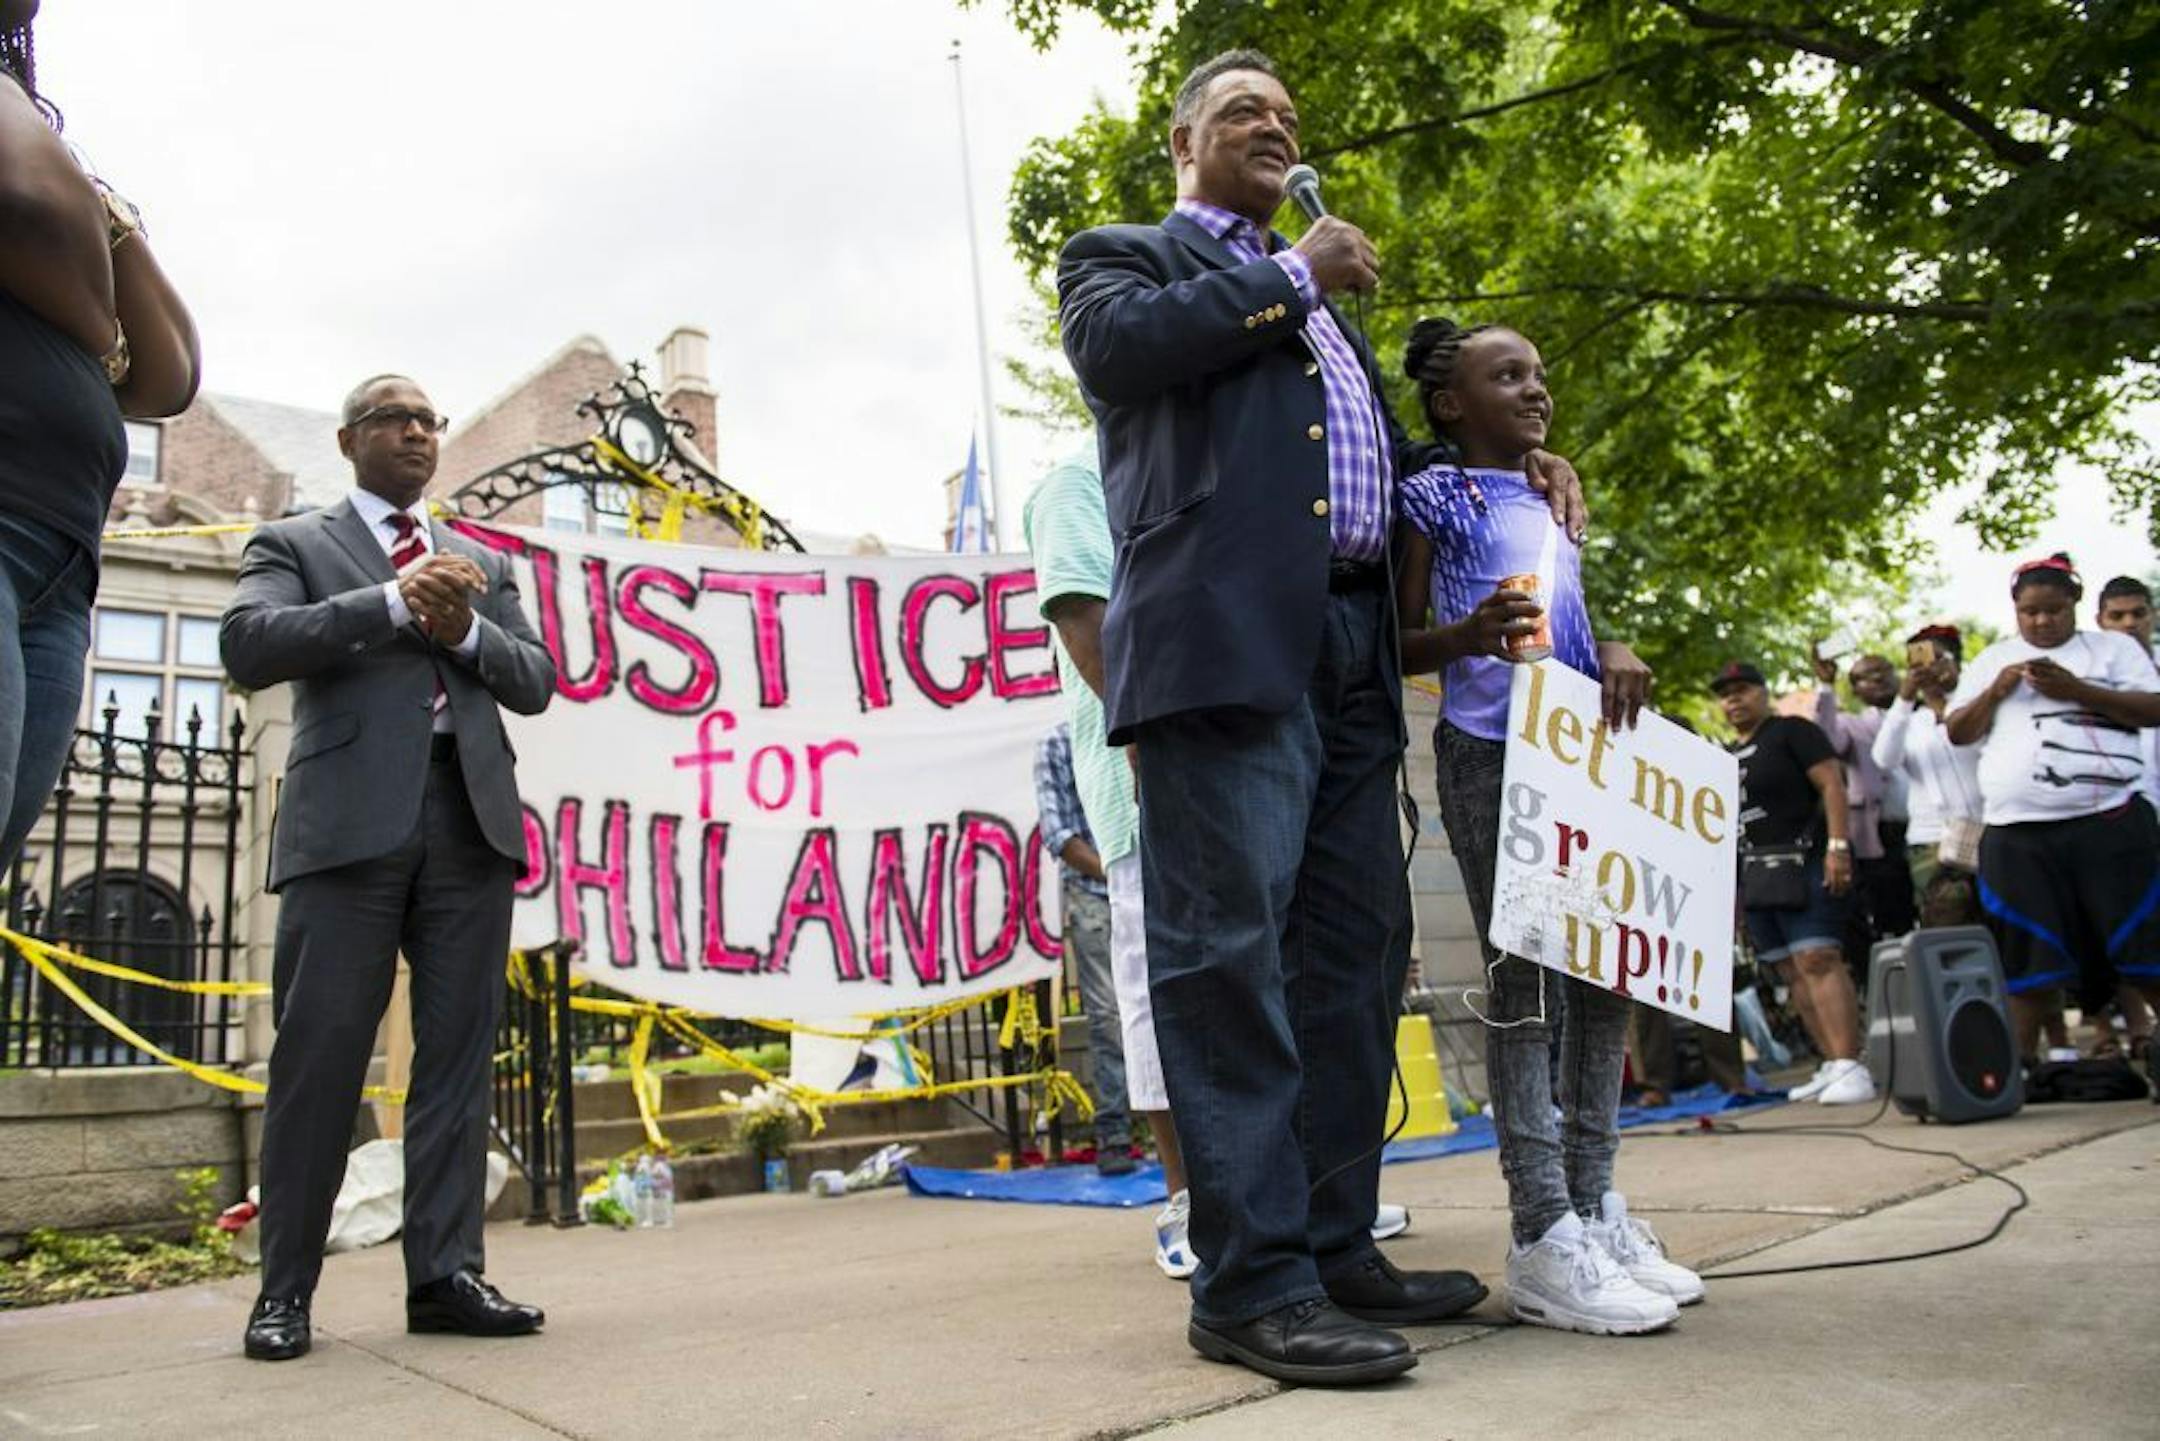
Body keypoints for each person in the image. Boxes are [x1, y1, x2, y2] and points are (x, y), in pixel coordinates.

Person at [1057, 48, 1582, 1385]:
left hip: (1353, 642)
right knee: (1228, 955)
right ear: (1184, 140)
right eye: (1246, 114)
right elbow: (1118, 357)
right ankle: (1250, 1283)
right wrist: (1296, 273)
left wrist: (1501, 473)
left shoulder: (1327, 313)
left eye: (1290, 115)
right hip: (1226, 647)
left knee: (1356, 954)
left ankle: (1338, 1242)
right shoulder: (1130, 258)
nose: (1276, 130)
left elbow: (1368, 471)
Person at [220, 375, 557, 1361]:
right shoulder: (297, 542)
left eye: (429, 420)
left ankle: (446, 1275)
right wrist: (387, 601)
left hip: (470, 822)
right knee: (317, 1062)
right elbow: (249, 644)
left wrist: (464, 628)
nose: (417, 431)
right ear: (348, 438)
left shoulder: (482, 561)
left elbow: (535, 679)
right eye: (395, 418)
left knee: (455, 1065)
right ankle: (285, 1290)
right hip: (346, 835)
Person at [1024, 448, 1411, 1281]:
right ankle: (1189, 1198)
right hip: (1146, 781)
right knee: (1164, 995)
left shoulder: (1203, 460)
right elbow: (1084, 613)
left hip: (1237, 760)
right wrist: (1141, 733)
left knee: (1271, 977)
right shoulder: (1076, 482)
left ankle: (1293, 1193)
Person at [1394, 317, 1697, 1335]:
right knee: (1524, 980)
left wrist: (1610, 642)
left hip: (1584, 756)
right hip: (1492, 752)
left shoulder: (1554, 495)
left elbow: (1570, 610)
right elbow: (1395, 639)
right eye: (1508, 375)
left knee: (1608, 970)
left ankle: (1594, 1201)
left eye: (1540, 373)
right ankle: (1540, 1227)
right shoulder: (1432, 496)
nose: (1536, 389)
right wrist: (1462, 635)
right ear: (1450, 403)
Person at [0, 1, 199, 874]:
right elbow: (31, 204)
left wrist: (106, 218)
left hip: (58, 564)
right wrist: (99, 334)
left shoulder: (29, 124)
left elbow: (173, 375)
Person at [1944, 554, 2160, 1062]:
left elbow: (2154, 709)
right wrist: (1996, 691)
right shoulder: (1992, 658)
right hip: (2017, 833)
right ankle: (2016, 1069)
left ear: (2076, 605)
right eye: (2030, 612)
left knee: (2142, 943)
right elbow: (1958, 731)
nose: (2042, 621)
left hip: (2108, 822)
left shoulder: (2113, 651)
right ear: (2015, 609)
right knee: (2028, 956)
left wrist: (2077, 690)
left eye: (2054, 610)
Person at [1714, 662, 1875, 1105]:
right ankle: (1830, 1062)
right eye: (1725, 694)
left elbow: (1832, 784)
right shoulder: (1725, 754)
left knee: (1818, 956)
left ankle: (1851, 1063)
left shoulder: (1792, 732)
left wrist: (1839, 845)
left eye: (1743, 690)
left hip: (1807, 859)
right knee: (1789, 968)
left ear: (1763, 692)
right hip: (1756, 873)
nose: (1733, 699)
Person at [1032, 719, 1139, 1179]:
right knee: (1109, 1016)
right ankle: (1115, 1135)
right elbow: (1059, 834)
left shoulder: (1132, 724)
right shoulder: (1058, 742)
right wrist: (1115, 873)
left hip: (1142, 885)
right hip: (1096, 892)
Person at [1871, 625, 1985, 918]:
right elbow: (1884, 758)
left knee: (2003, 923)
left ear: (1956, 661)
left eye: (1936, 659)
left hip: (1988, 830)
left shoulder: (1977, 706)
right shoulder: (1911, 720)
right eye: (1917, 664)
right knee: (1946, 924)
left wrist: (1954, 692)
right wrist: (1905, 697)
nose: (1927, 670)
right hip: (1931, 839)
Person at [1809, 648, 1916, 951]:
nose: (1877, 679)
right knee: (1892, 911)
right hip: (1881, 832)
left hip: (1930, 827)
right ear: (1855, 690)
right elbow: (1825, 738)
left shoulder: (1922, 714)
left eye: (1883, 670)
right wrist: (1826, 687)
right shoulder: (1852, 724)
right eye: (1865, 677)